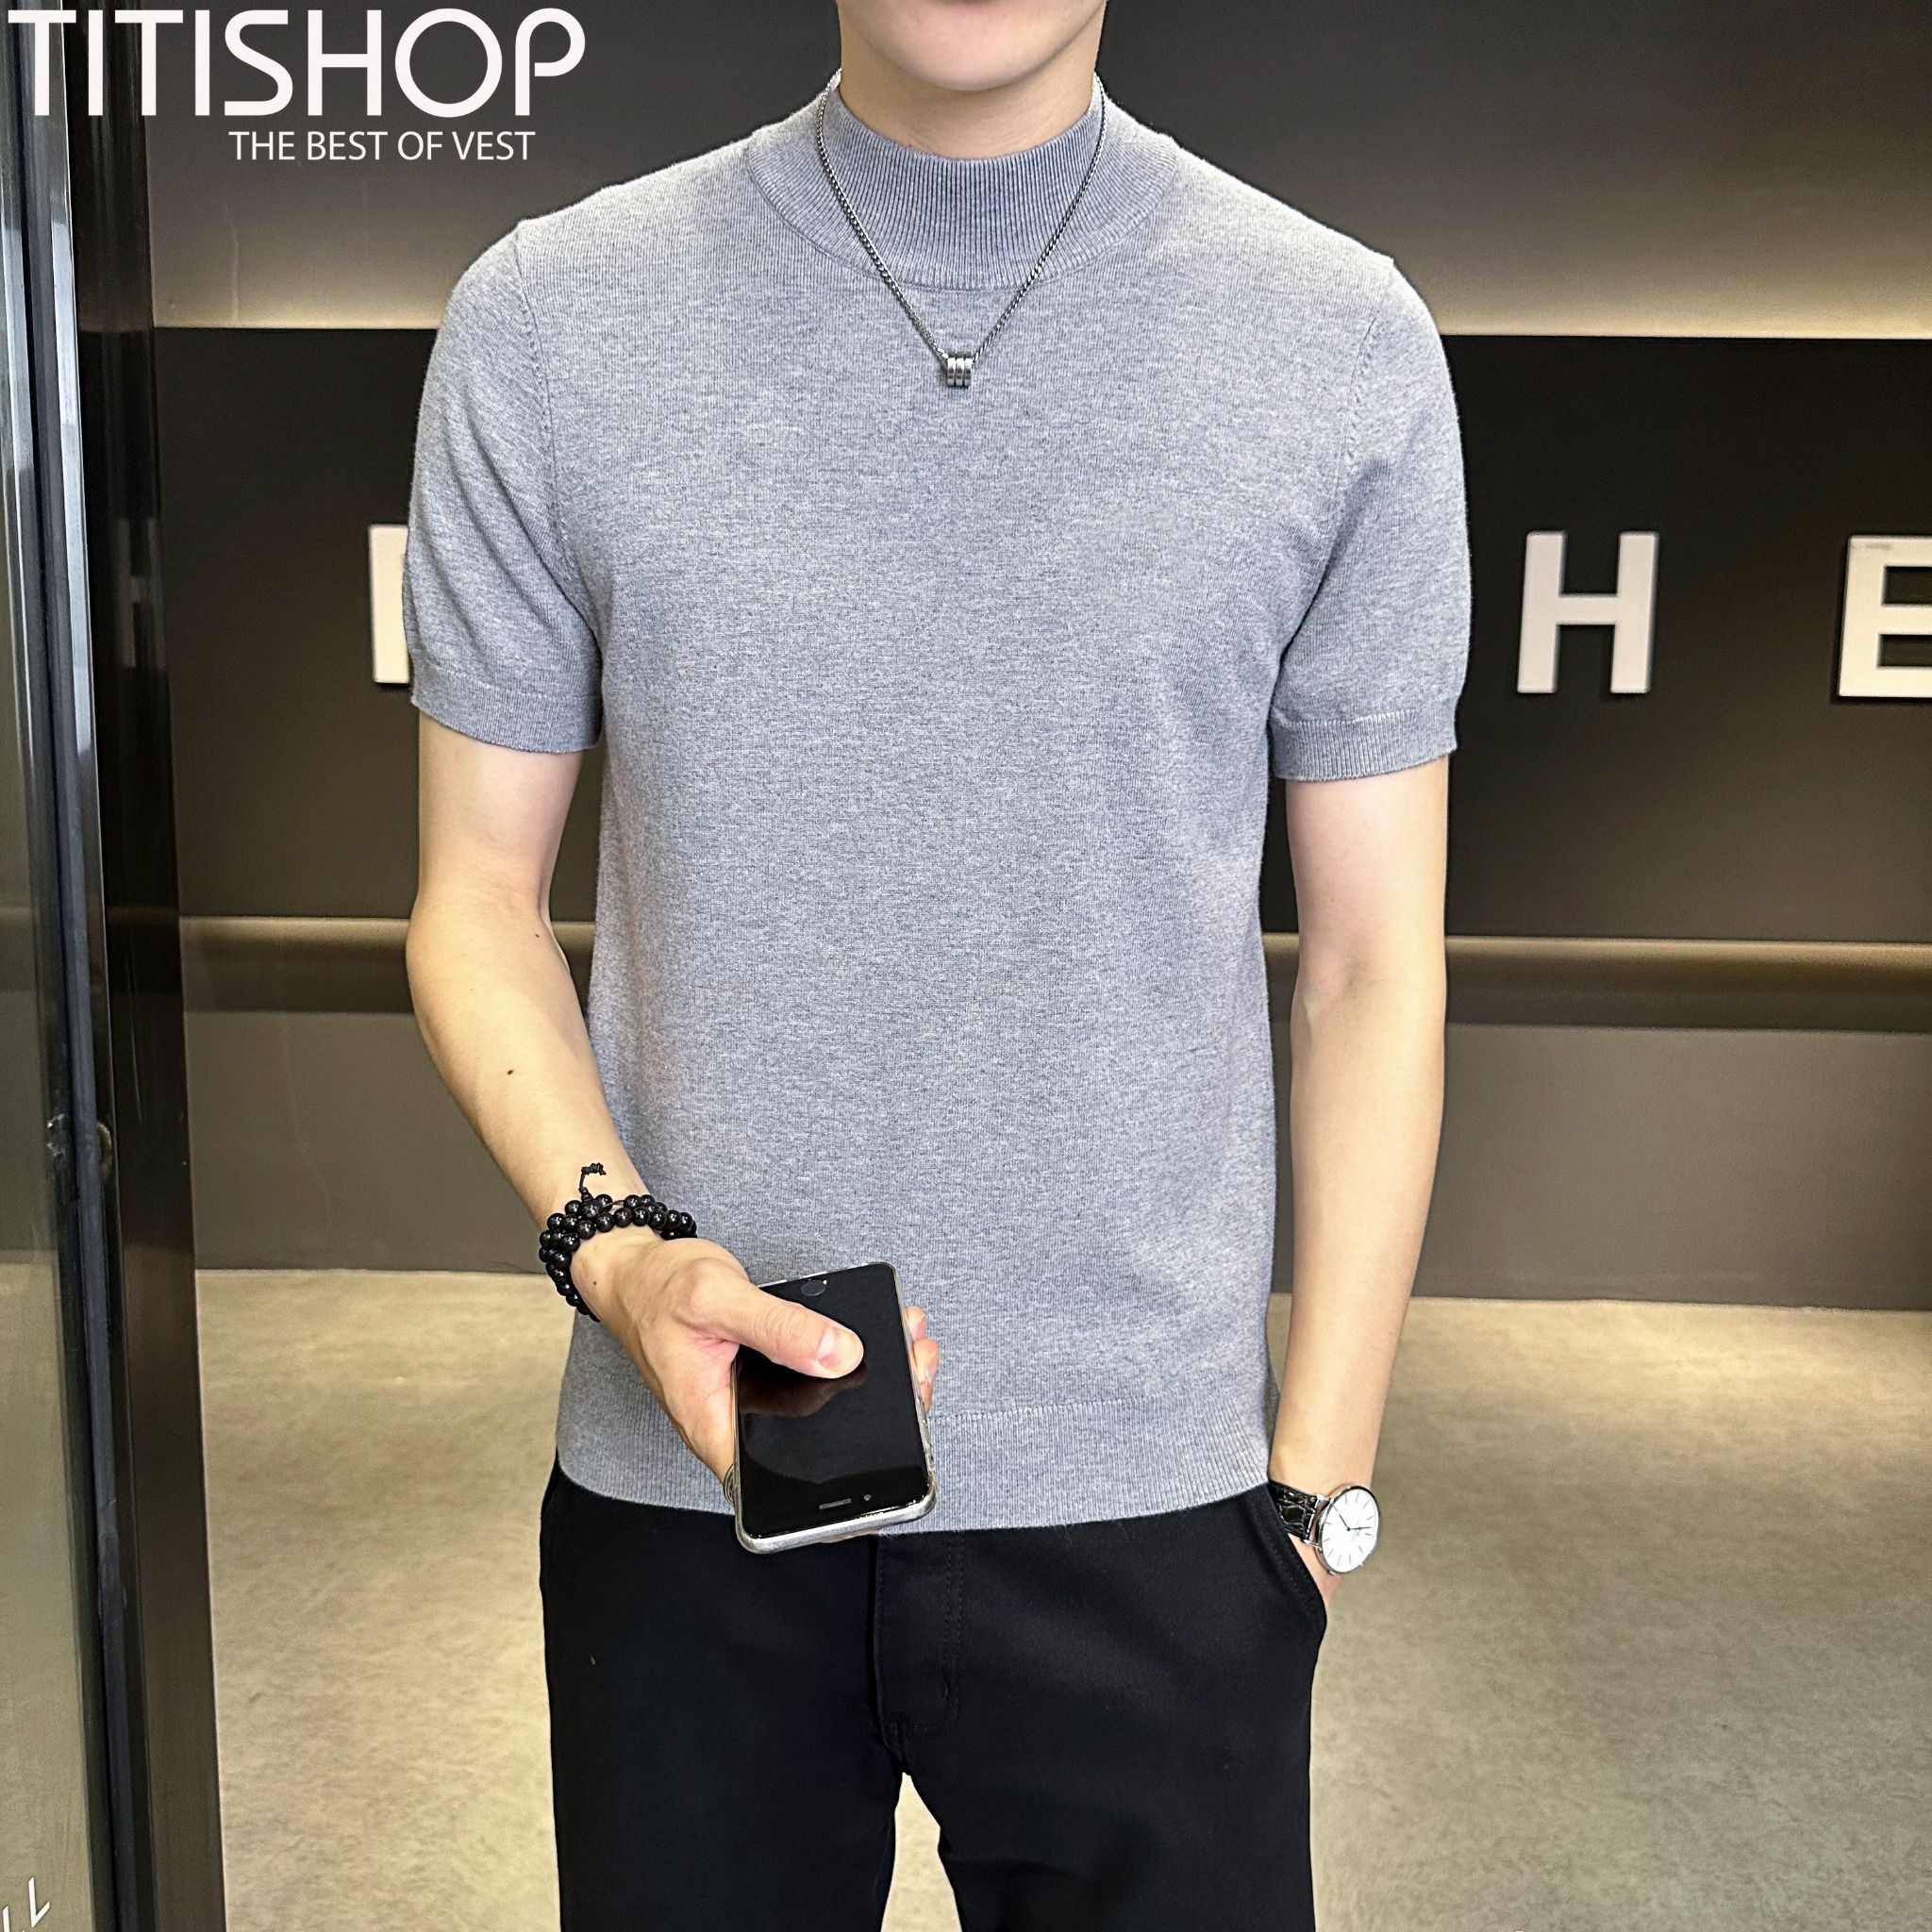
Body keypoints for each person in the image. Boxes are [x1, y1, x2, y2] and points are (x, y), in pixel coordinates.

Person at [400, 0, 1470, 1924]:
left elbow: (1374, 961)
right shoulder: (553, 323)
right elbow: (476, 895)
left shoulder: (1337, 342)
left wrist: (1316, 1486)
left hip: (1164, 1507)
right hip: (689, 1483)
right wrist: (618, 1255)